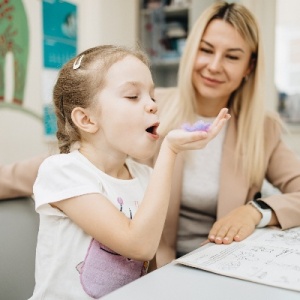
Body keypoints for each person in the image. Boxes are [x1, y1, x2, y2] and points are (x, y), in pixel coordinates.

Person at [28, 45, 229, 299]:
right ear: (87, 120)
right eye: (133, 96)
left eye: (153, 96)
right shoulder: (63, 172)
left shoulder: (144, 176)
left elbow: (155, 259)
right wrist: (170, 150)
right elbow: (139, 246)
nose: (152, 106)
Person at [154, 1, 300, 267]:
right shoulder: (151, 106)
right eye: (206, 50)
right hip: (148, 268)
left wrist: (255, 212)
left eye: (232, 56)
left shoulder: (263, 128)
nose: (214, 65)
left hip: (220, 267)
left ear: (249, 67)